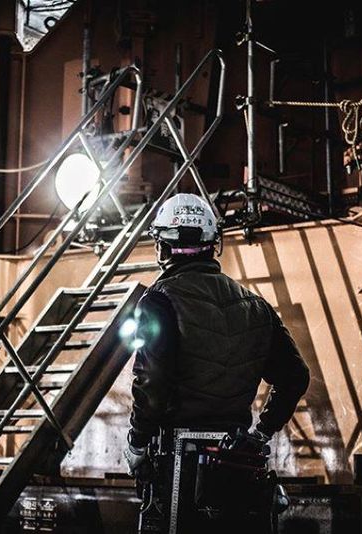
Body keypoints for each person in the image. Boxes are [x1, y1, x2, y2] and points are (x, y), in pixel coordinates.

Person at [123, 193, 310, 530]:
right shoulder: (255, 306)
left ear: (162, 248)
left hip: (176, 462)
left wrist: (137, 442)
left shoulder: (158, 301)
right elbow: (295, 376)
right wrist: (260, 434)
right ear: (213, 246)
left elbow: (152, 382)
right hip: (237, 460)